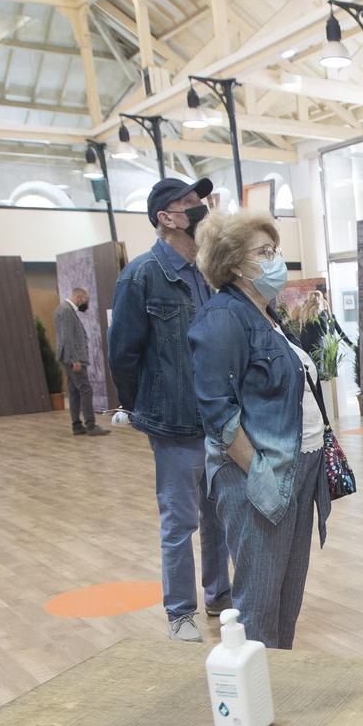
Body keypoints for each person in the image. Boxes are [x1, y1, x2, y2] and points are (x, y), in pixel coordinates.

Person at [188, 211, 330, 651]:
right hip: (259, 477)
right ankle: (255, 694)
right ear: (234, 264)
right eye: (264, 252)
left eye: (276, 250)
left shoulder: (267, 315)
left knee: (287, 596)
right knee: (259, 600)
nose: (276, 260)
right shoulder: (223, 318)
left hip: (299, 469)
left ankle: (277, 683)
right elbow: (216, 411)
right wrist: (257, 472)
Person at [110, 176, 231, 644]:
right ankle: (180, 611)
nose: (201, 210)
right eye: (191, 204)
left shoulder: (207, 272)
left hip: (217, 419)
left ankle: (220, 595)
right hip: (174, 423)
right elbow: (124, 353)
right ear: (166, 218)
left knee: (218, 514)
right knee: (179, 521)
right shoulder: (141, 276)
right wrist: (141, 407)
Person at [56, 287, 106, 437]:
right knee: (86, 390)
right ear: (79, 297)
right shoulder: (66, 310)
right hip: (74, 359)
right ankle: (91, 425)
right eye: (86, 300)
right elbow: (68, 338)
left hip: (69, 357)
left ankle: (77, 426)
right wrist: (75, 360)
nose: (86, 303)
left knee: (74, 392)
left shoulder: (64, 309)